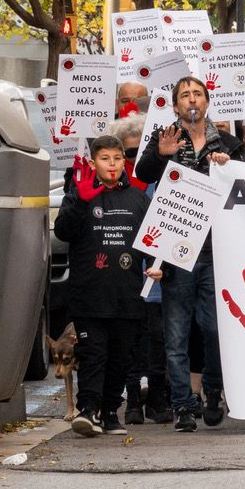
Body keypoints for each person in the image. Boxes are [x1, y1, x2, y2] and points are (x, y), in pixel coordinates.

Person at [135, 76, 245, 433]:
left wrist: (228, 165)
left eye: (197, 93)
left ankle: (212, 389)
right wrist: (160, 154)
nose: (192, 99)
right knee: (176, 334)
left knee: (214, 329)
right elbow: (143, 173)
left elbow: (244, 187)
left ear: (207, 101)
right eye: (185, 95)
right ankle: (183, 404)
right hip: (176, 251)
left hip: (216, 251)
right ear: (176, 106)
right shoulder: (165, 138)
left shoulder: (228, 143)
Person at [53, 136, 162, 437]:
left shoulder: (138, 199)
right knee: (93, 355)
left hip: (127, 296)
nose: (112, 164)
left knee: (121, 358)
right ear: (93, 163)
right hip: (89, 296)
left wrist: (158, 265)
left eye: (116, 158)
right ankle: (88, 410)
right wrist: (80, 201)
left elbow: (155, 239)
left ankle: (111, 411)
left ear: (123, 162)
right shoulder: (78, 194)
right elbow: (62, 231)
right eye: (104, 159)